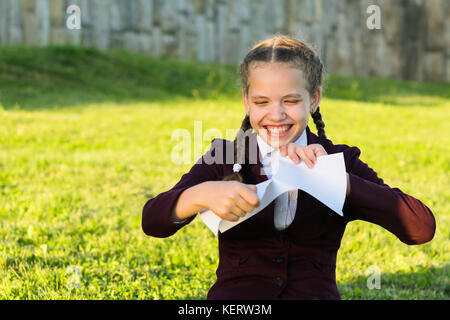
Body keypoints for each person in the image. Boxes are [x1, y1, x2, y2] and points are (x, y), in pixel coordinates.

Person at [141, 35, 436, 300]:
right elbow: (152, 222)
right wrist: (200, 194)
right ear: (247, 101)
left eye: (291, 100)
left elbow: (420, 228)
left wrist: (331, 178)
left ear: (314, 99)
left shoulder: (338, 161)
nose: (276, 114)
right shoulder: (224, 155)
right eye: (261, 101)